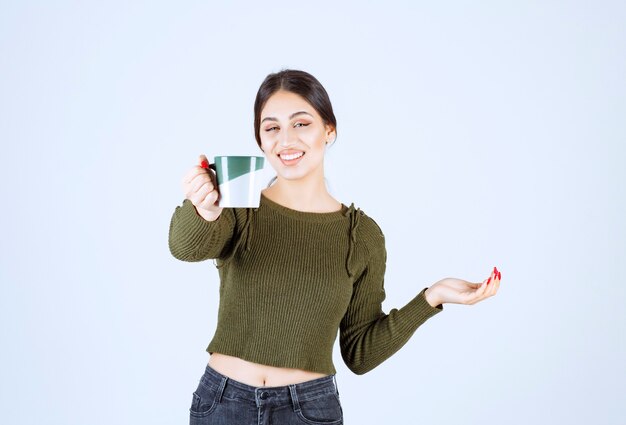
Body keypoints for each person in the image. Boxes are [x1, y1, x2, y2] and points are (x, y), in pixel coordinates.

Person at [168, 69, 501, 425]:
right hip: (223, 404)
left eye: (301, 124)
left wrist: (430, 298)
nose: (286, 139)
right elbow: (186, 247)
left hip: (309, 410)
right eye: (272, 128)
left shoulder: (361, 235)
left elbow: (360, 352)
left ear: (329, 130)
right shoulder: (238, 205)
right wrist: (203, 208)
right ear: (261, 140)